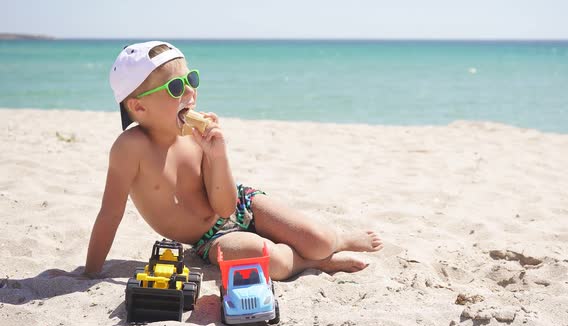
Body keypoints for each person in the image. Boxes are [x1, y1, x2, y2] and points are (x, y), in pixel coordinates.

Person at [84, 41, 383, 280]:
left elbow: (225, 206)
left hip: (240, 202)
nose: (190, 91)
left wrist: (218, 152)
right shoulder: (129, 148)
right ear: (138, 106)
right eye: (176, 87)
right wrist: (90, 272)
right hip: (207, 239)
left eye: (192, 79)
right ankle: (314, 263)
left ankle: (338, 241)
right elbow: (110, 214)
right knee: (272, 260)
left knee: (318, 238)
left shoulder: (194, 135)